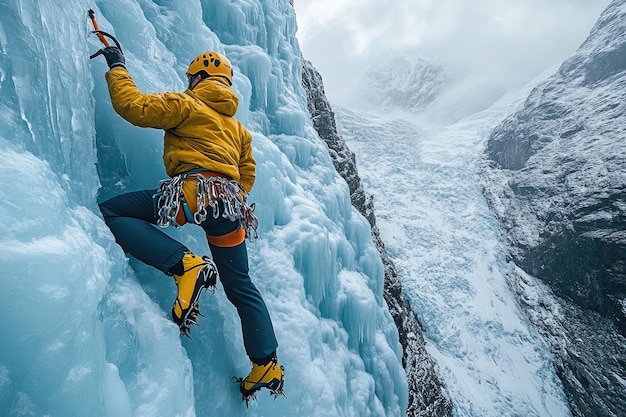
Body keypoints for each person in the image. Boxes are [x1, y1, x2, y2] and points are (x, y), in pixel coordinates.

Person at [93, 46, 284, 401]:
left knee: (112, 213)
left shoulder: (187, 103)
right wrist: (230, 196)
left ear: (198, 77)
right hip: (230, 207)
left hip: (195, 194)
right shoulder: (238, 129)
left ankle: (185, 265)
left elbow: (132, 106)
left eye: (191, 77)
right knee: (240, 284)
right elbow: (247, 173)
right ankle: (266, 363)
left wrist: (118, 66)